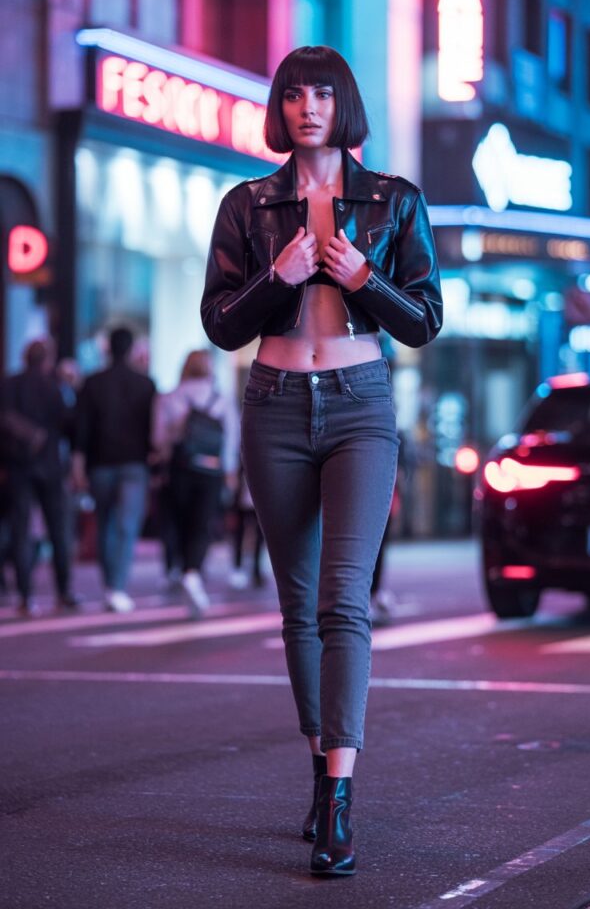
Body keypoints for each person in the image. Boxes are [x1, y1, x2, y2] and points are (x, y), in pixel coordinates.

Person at [201, 45, 442, 877]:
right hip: (271, 405)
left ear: (345, 106)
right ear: (281, 108)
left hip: (359, 405)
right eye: (294, 94)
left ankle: (340, 801)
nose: (309, 107)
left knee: (345, 598)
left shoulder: (394, 201)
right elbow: (222, 325)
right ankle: (318, 770)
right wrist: (280, 277)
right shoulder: (248, 204)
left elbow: (422, 322)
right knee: (297, 605)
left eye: (323, 94)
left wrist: (363, 276)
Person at [72, 326, 155, 613]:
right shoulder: (146, 384)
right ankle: (117, 587)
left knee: (105, 522)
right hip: (134, 463)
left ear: (108, 348)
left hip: (100, 464)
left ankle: (111, 584)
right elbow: (152, 431)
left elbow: (80, 430)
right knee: (126, 526)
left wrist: (77, 465)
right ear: (132, 349)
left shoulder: (92, 383)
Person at [152, 349, 239, 617]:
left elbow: (158, 438)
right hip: (211, 471)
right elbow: (231, 439)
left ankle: (179, 567)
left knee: (178, 520)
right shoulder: (221, 400)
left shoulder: (169, 397)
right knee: (202, 522)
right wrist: (230, 471)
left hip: (179, 469)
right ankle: (193, 571)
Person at [0, 339, 77, 615]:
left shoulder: (10, 384)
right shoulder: (54, 387)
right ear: (48, 359)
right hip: (50, 465)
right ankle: (63, 592)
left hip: (19, 465)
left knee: (21, 531)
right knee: (58, 530)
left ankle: (24, 597)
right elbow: (70, 423)